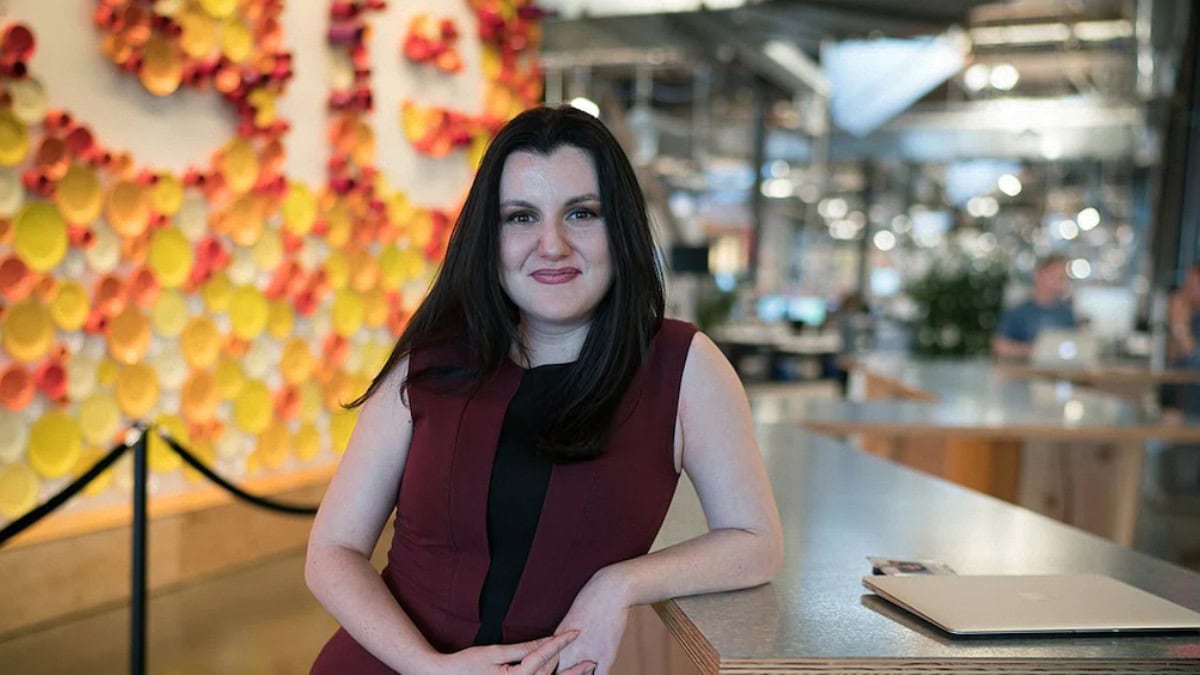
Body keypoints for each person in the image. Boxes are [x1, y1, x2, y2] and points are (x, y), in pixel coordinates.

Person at [305, 106, 783, 675]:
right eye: (521, 217)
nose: (551, 244)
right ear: (490, 237)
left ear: (620, 227)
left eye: (581, 213)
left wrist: (619, 584)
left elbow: (755, 541)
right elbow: (331, 553)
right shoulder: (429, 364)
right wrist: (427, 667)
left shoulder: (682, 367)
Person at [992, 255, 1076, 360]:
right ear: (1038, 275)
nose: (1059, 282)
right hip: (1025, 369)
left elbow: (1074, 345)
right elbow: (999, 346)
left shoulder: (1067, 313)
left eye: (1063, 277)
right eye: (1054, 276)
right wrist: (1032, 351)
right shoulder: (1018, 312)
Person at [1166, 264, 1200, 412]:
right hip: (1185, 404)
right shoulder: (1193, 315)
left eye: (1192, 285)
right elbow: (1175, 359)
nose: (1186, 290)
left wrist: (1179, 327)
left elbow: (1196, 364)